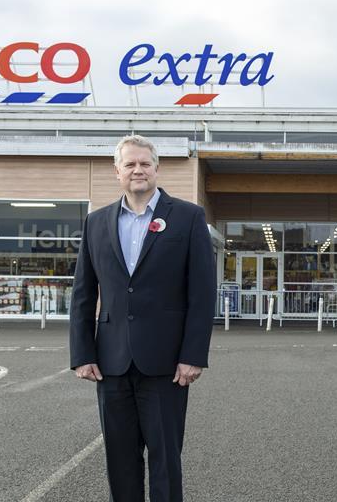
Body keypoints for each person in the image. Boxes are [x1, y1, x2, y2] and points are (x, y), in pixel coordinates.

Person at [69, 135, 216, 502]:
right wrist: (82, 354)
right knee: (119, 461)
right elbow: (83, 294)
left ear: (156, 169)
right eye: (130, 164)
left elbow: (202, 294)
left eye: (145, 163)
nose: (138, 170)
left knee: (166, 459)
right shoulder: (96, 223)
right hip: (111, 363)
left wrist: (193, 355)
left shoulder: (188, 217)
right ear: (117, 171)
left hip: (167, 364)